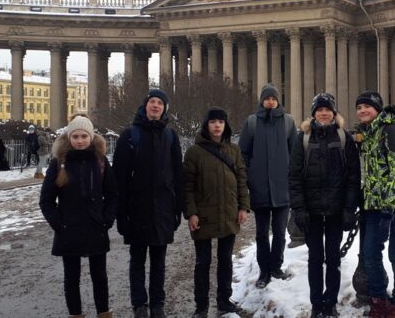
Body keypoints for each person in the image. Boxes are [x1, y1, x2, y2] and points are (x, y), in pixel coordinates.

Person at [113, 89, 184, 318]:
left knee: (159, 261)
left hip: (162, 208)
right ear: (145, 106)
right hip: (137, 208)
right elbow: (119, 178)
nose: (155, 106)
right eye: (152, 102)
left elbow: (177, 175)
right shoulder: (129, 136)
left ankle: (157, 304)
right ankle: (139, 304)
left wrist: (177, 208)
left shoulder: (171, 136)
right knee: (137, 260)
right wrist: (121, 213)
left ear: (165, 108)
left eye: (160, 103)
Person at [39, 115, 117, 318]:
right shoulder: (58, 164)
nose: (80, 140)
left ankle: (103, 313)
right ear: (69, 138)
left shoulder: (100, 163)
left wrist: (107, 220)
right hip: (69, 230)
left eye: (84, 136)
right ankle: (75, 314)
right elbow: (46, 200)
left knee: (99, 277)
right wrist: (59, 225)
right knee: (71, 278)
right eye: (76, 136)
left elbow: (112, 195)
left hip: (95, 228)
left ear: (91, 137)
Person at [290, 93, 361, 318]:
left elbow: (353, 177)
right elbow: (294, 178)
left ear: (333, 112)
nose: (323, 113)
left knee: (333, 258)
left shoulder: (344, 138)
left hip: (335, 211)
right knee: (314, 259)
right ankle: (316, 304)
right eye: (319, 109)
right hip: (311, 211)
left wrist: (349, 209)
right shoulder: (302, 139)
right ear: (313, 113)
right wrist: (299, 209)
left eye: (327, 109)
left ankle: (330, 303)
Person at [183, 107, 250, 318]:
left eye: (220, 121)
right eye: (213, 122)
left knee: (225, 260)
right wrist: (191, 213)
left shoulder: (233, 150)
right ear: (206, 125)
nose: (217, 125)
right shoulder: (194, 152)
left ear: (225, 125)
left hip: (228, 212)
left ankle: (224, 301)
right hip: (203, 215)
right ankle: (201, 307)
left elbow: (241, 180)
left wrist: (243, 207)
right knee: (203, 262)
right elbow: (187, 186)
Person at [355, 91, 395, 318]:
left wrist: (389, 206)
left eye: (367, 107)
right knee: (370, 252)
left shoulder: (391, 131)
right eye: (359, 107)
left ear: (378, 109)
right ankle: (378, 298)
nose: (362, 111)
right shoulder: (369, 133)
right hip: (374, 205)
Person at [239, 83, 296, 289]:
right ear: (262, 101)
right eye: (267, 98)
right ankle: (264, 270)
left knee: (280, 232)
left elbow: (295, 154)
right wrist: (248, 178)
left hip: (282, 188)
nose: (270, 101)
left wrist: (292, 180)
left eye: (273, 98)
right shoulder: (252, 122)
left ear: (277, 100)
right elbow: (243, 153)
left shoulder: (288, 122)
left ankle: (276, 267)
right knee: (262, 233)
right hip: (260, 187)